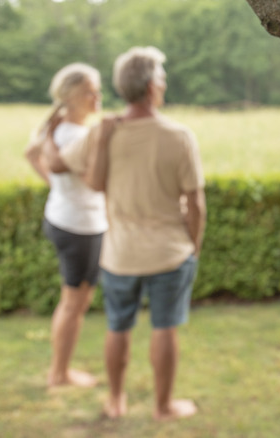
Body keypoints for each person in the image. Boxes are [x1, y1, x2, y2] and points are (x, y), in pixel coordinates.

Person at [44, 46, 206, 421]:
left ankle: (116, 401)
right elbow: (196, 204)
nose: (164, 85)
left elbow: (54, 163)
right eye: (162, 79)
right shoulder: (179, 136)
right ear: (151, 87)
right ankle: (164, 407)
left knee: (118, 327)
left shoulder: (104, 132)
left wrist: (50, 134)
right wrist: (193, 246)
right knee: (164, 327)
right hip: (169, 253)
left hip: (118, 255)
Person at [24, 63, 107, 388]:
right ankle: (59, 374)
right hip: (80, 227)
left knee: (77, 301)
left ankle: (61, 370)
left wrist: (58, 188)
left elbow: (31, 154)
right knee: (74, 303)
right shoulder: (79, 135)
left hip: (65, 218)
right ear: (71, 97)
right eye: (90, 91)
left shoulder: (54, 129)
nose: (97, 96)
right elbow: (96, 182)